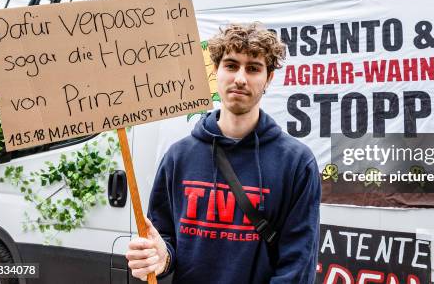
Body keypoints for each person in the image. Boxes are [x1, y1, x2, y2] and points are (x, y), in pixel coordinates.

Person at [125, 23, 321, 283]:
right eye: (231, 65)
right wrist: (161, 258)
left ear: (269, 78)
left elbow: (297, 267)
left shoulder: (297, 163)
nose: (240, 78)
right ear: (216, 70)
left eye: (253, 68)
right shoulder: (178, 157)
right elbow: (165, 240)